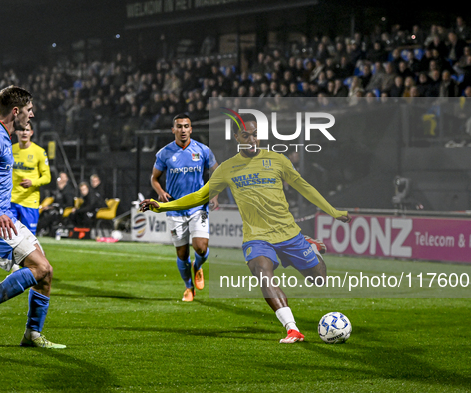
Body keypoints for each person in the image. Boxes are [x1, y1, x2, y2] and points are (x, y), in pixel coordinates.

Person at [141, 113, 351, 343]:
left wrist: (333, 211)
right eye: (246, 135)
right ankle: (292, 328)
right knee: (262, 272)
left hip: (289, 235)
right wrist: (161, 207)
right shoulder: (228, 168)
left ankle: (311, 248)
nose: (251, 140)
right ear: (236, 137)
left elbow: (305, 187)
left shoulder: (277, 160)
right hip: (257, 238)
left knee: (319, 278)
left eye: (255, 135)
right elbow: (199, 196)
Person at [0, 85, 65, 348]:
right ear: (16, 111)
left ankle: (33, 334)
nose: (32, 115)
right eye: (29, 110)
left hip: (4, 216)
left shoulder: (3, 137)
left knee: (46, 272)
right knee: (39, 268)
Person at [150, 113, 218, 302]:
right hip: (175, 208)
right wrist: (161, 192)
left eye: (186, 126)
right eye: (179, 126)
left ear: (191, 129)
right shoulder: (165, 153)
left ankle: (198, 266)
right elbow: (154, 178)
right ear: (173, 130)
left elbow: (217, 173)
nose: (183, 130)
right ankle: (189, 288)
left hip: (198, 207)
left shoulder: (203, 150)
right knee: (182, 253)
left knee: (201, 248)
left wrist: (215, 194)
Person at [10, 122, 51, 235]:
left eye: (27, 130)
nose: (24, 132)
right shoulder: (10, 150)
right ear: (16, 132)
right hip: (11, 200)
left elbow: (47, 177)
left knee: (28, 240)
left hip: (29, 202)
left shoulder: (39, 152)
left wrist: (33, 182)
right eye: (21, 130)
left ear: (31, 133)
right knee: (8, 238)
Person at [37, 171, 76, 236]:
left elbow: (69, 203)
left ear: (66, 179)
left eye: (61, 177)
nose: (59, 179)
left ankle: (37, 229)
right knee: (44, 211)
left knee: (50, 215)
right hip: (56, 208)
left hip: (61, 210)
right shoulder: (59, 191)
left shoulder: (68, 191)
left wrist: (55, 207)